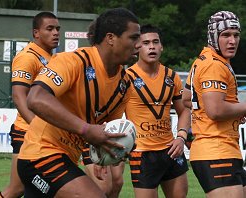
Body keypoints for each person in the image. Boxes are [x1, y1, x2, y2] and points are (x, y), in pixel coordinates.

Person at [17, 7, 141, 197]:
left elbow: (105, 130)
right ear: (110, 38)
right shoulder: (73, 61)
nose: (138, 44)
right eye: (133, 38)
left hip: (67, 158)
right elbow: (35, 98)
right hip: (40, 155)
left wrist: (104, 154)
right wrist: (86, 130)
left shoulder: (124, 85)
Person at [0, 11, 60, 198]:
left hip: (46, 134)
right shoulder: (27, 57)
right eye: (50, 28)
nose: (55, 32)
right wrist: (38, 127)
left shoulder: (54, 59)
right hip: (27, 132)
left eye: (57, 29)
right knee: (16, 189)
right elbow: (19, 97)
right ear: (36, 33)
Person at [182, 11, 246, 197]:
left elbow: (187, 98)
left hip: (219, 149)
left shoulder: (205, 59)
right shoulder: (214, 65)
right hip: (216, 149)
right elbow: (216, 110)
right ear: (213, 35)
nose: (232, 41)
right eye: (225, 35)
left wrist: (233, 111)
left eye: (236, 35)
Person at [125, 24, 190, 198]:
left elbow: (184, 111)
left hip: (171, 150)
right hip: (142, 154)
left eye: (155, 42)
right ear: (137, 47)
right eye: (146, 43)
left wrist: (181, 137)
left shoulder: (172, 76)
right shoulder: (126, 78)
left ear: (162, 46)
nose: (151, 46)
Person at [81, 20, 126, 198]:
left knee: (117, 182)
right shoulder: (83, 66)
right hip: (89, 134)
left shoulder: (119, 72)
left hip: (107, 131)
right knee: (103, 187)